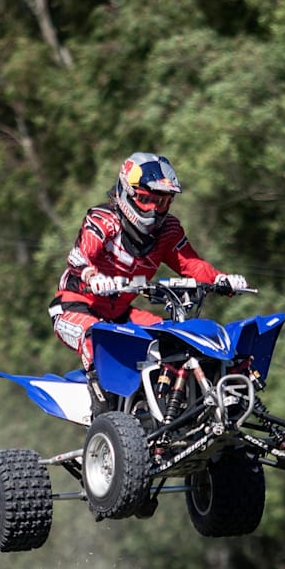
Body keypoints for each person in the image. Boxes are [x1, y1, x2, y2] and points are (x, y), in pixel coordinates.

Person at [49, 151, 247, 414]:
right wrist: (92, 276)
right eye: (146, 200)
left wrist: (221, 279)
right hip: (74, 308)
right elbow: (79, 256)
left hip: (121, 314)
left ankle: (180, 408)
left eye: (162, 202)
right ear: (127, 193)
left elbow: (191, 264)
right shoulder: (103, 220)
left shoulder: (169, 231)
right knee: (95, 338)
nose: (154, 209)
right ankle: (106, 418)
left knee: (175, 338)